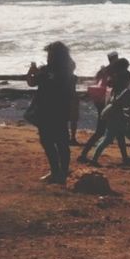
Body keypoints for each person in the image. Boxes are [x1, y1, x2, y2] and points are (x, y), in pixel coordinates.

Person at [26, 42, 76, 185]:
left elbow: (70, 93)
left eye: (50, 54)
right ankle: (56, 171)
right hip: (45, 110)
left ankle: (62, 173)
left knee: (61, 143)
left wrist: (73, 112)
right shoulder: (47, 70)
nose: (47, 57)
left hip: (58, 110)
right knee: (47, 141)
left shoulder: (65, 71)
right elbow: (31, 83)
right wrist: (31, 71)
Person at [83, 58, 130, 167]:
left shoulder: (114, 84)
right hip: (118, 118)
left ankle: (94, 158)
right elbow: (125, 106)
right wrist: (129, 117)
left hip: (110, 115)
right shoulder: (125, 91)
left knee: (109, 138)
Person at [78, 51, 126, 162]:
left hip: (102, 102)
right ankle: (84, 154)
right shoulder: (115, 71)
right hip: (109, 103)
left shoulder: (104, 70)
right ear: (115, 58)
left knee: (105, 131)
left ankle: (84, 154)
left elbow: (97, 80)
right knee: (110, 131)